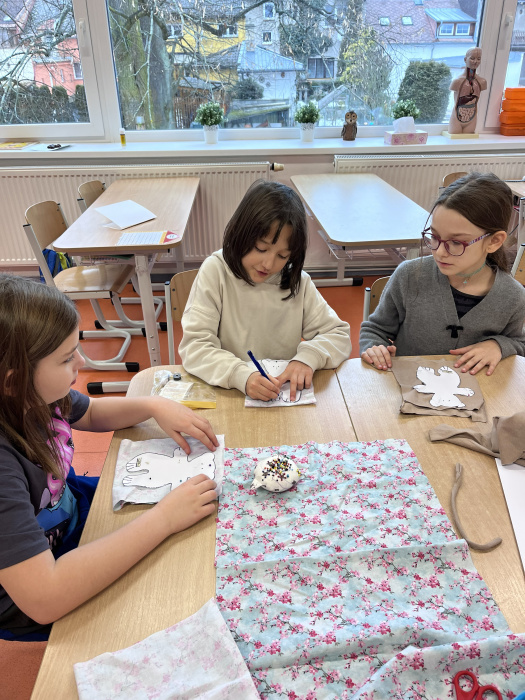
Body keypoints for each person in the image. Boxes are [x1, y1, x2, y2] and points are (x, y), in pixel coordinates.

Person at [0, 275, 219, 641]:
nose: (81, 362)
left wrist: (153, 406)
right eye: (67, 358)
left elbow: (90, 413)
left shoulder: (35, 396)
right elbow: (44, 597)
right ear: (13, 381)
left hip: (68, 511)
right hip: (36, 587)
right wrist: (164, 519)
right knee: (158, 600)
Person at [179, 180, 351, 401]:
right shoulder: (216, 272)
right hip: (229, 395)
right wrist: (239, 375)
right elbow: (195, 347)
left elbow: (338, 335)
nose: (268, 265)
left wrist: (308, 358)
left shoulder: (297, 281)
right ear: (241, 233)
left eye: (282, 256)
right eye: (261, 248)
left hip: (280, 398)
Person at [360, 172, 525, 376]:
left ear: (494, 241)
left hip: (477, 391)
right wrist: (375, 348)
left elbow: (519, 343)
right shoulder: (409, 276)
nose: (439, 252)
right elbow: (374, 330)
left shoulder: (512, 296)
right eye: (435, 236)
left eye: (456, 242)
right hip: (409, 385)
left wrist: (498, 345)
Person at [448, 47, 487, 135]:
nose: (475, 61)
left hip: (472, 117)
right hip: (457, 117)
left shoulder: (482, 82)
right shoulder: (457, 81)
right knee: (454, 138)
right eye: (472, 58)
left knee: (469, 140)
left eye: (478, 59)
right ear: (465, 59)